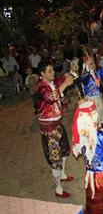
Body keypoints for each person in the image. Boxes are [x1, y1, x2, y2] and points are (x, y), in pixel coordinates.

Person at [34, 60, 74, 198]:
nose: (53, 73)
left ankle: (62, 175)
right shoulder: (40, 86)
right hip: (49, 129)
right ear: (42, 74)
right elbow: (50, 98)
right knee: (55, 159)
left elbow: (62, 79)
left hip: (57, 123)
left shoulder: (50, 82)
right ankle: (58, 190)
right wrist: (65, 84)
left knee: (65, 151)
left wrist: (71, 73)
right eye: (49, 71)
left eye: (53, 70)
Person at [80, 54, 103, 128]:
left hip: (98, 96)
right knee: (94, 114)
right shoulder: (85, 76)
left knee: (101, 110)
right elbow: (83, 77)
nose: (93, 64)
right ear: (86, 65)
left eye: (93, 62)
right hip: (90, 98)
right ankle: (96, 127)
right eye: (91, 63)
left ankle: (101, 125)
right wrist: (86, 67)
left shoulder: (97, 73)